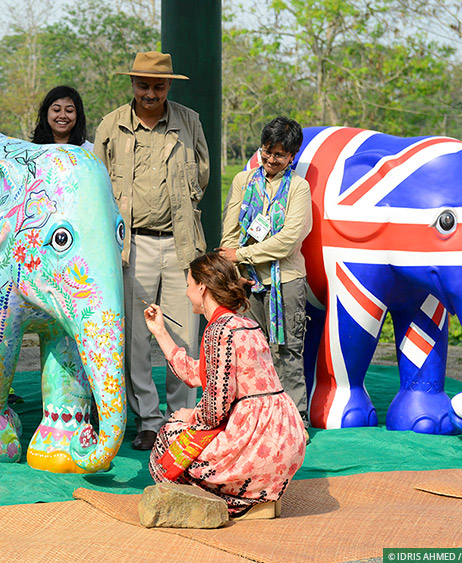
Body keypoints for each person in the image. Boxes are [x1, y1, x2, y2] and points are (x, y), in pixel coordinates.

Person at [94, 51, 209, 451]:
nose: (150, 93)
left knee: (184, 335)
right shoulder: (111, 125)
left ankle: (182, 417)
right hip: (132, 245)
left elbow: (203, 175)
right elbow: (99, 184)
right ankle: (147, 419)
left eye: (158, 86)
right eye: (143, 85)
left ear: (169, 86)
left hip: (181, 244)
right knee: (136, 338)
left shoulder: (189, 121)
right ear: (132, 84)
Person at [145, 252, 307, 519]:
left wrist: (188, 416)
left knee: (168, 438)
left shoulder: (218, 330)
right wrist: (160, 332)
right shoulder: (247, 324)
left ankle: (242, 503)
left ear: (202, 288)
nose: (186, 292)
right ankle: (263, 497)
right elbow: (199, 375)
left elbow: (214, 410)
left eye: (188, 285)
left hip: (258, 442)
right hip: (286, 440)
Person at [219, 116, 312, 427]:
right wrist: (235, 271)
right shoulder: (243, 181)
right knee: (251, 351)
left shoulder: (298, 188)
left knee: (288, 351)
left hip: (286, 281)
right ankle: (257, 418)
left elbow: (288, 241)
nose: (271, 159)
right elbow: (230, 232)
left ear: (292, 156)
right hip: (247, 281)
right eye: (266, 151)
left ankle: (296, 421)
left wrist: (242, 254)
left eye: (279, 155)